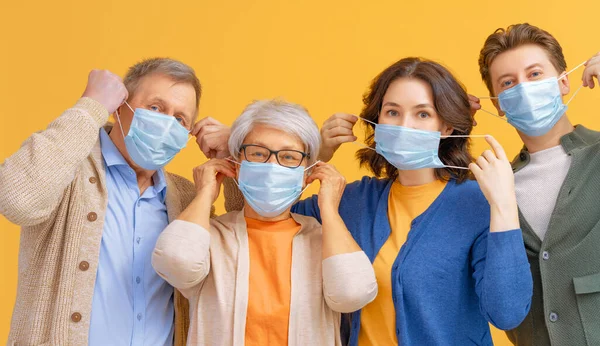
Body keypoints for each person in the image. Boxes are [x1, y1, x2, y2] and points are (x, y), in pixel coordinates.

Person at [224, 57, 533, 345]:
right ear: (376, 121)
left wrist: (503, 205)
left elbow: (507, 313)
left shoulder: (476, 202)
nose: (403, 125)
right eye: (392, 112)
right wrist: (313, 157)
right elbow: (258, 214)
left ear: (446, 127)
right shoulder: (351, 201)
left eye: (422, 113)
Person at [0, 58, 211, 345]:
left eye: (179, 119)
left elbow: (241, 255)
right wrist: (90, 106)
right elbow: (17, 199)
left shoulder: (186, 195)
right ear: (119, 107)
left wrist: (236, 156)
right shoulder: (69, 170)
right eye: (155, 108)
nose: (165, 124)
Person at [152, 99, 378, 346]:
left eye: (289, 157)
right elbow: (174, 263)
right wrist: (206, 192)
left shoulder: (323, 241)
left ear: (307, 174)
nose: (272, 166)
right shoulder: (211, 236)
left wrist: (329, 209)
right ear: (236, 165)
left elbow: (352, 294)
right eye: (258, 153)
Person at [473, 23, 600, 346]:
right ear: (498, 104)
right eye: (508, 83)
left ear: (563, 82)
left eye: (534, 74)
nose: (523, 88)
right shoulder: (494, 184)